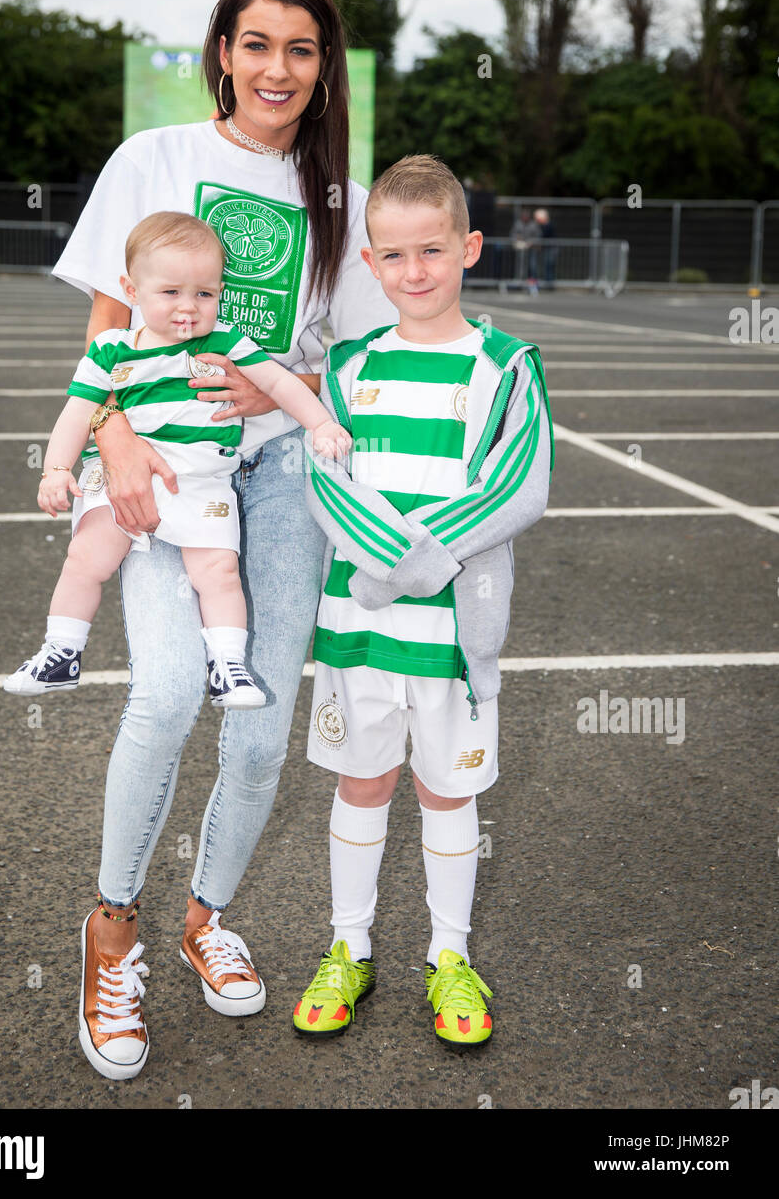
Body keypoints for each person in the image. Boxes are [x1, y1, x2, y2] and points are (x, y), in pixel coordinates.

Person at [48, 0, 395, 1080]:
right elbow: (107, 327)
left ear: (322, 67)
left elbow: (347, 352)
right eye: (257, 44)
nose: (277, 68)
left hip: (279, 471)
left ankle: (203, 915)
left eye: (301, 49)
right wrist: (111, 444)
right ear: (223, 51)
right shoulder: (156, 159)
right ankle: (111, 931)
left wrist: (274, 388)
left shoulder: (335, 193)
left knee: (256, 728)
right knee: (161, 689)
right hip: (156, 463)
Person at [294, 155, 554, 1046]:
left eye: (433, 251)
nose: (415, 272)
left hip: (450, 630)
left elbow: (516, 489)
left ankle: (449, 957)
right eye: (394, 255)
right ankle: (348, 946)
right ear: (369, 263)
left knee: (448, 793)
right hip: (356, 626)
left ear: (470, 247)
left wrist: (402, 566)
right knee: (363, 780)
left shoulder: (507, 366)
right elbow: (325, 485)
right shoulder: (347, 365)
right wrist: (385, 569)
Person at [4, 211, 350, 709]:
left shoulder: (225, 342)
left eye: (204, 294)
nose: (189, 308)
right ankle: (62, 651)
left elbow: (278, 383)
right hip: (121, 477)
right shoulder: (111, 350)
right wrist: (56, 469)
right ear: (131, 289)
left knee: (219, 573)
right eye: (171, 292)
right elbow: (77, 413)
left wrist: (320, 424)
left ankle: (228, 666)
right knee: (85, 559)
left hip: (202, 483)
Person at [534, 206, 557, 289]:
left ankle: (549, 285)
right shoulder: (540, 226)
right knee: (543, 267)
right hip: (545, 249)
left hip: (550, 249)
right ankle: (544, 284)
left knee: (549, 266)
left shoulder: (548, 225)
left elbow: (544, 236)